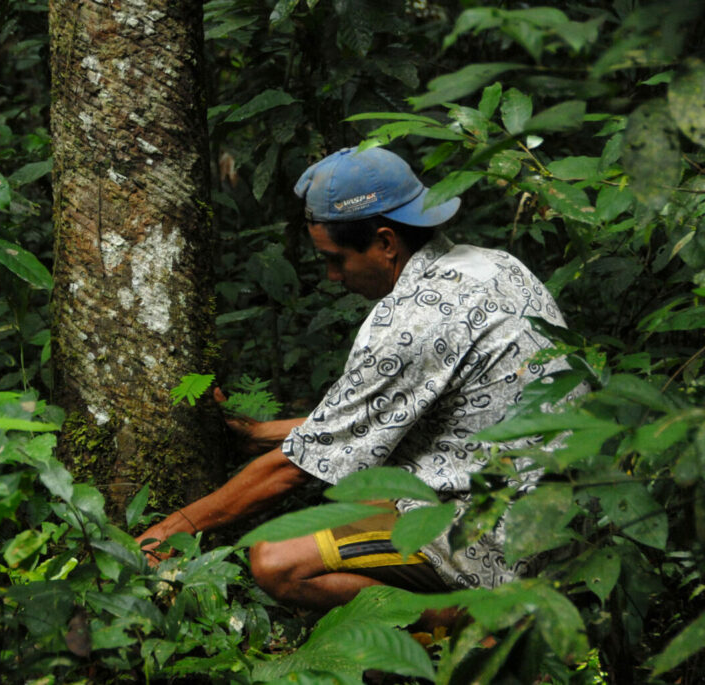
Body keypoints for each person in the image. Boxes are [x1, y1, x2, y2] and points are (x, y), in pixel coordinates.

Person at [136, 147, 573, 613]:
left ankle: (470, 620)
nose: (331, 275)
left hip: (500, 533)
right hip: (561, 516)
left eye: (337, 259)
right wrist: (258, 435)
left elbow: (295, 470)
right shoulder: (495, 266)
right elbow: (373, 421)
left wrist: (171, 530)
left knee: (277, 560)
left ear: (386, 243)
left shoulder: (414, 322)